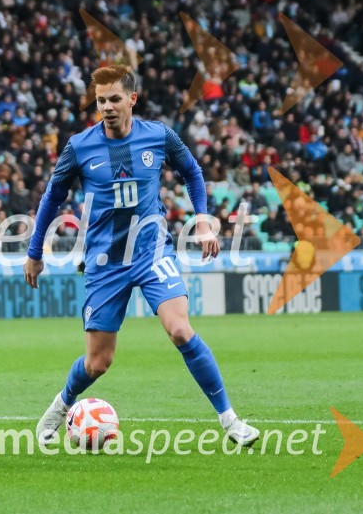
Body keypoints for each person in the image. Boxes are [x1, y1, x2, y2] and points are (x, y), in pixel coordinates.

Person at [24, 66, 259, 447]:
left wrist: (202, 220)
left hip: (151, 252)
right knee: (98, 363)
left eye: (115, 99)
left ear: (132, 99)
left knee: (180, 330)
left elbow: (192, 172)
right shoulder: (79, 146)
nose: (107, 107)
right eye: (101, 100)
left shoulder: (159, 135)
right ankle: (61, 404)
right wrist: (35, 252)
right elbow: (53, 197)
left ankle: (231, 421)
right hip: (105, 262)